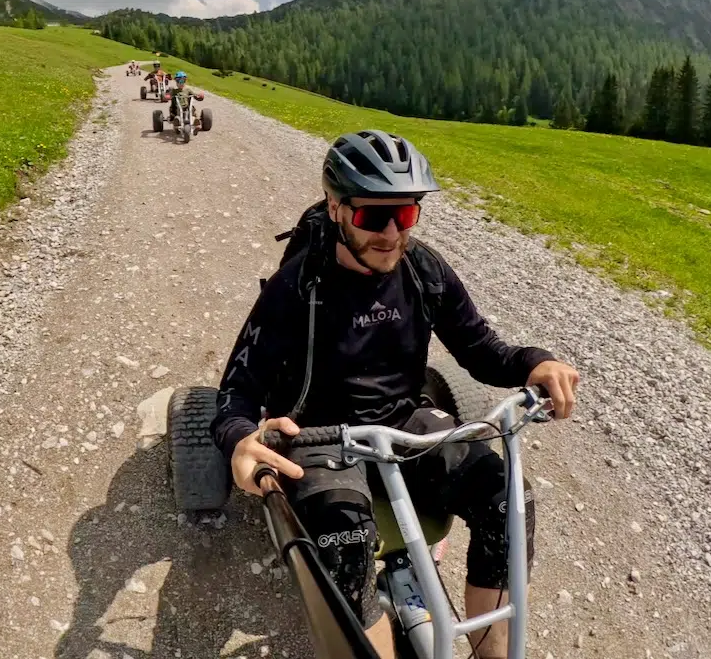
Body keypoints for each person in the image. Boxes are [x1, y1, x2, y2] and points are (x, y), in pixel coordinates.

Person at [210, 129, 580, 659]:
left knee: (508, 499)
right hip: (321, 434)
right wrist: (242, 440)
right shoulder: (296, 288)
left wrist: (534, 361)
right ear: (337, 208)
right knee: (345, 536)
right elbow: (237, 390)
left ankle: (491, 652)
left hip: (402, 422)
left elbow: (480, 348)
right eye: (372, 217)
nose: (390, 234)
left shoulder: (423, 271)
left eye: (405, 216)